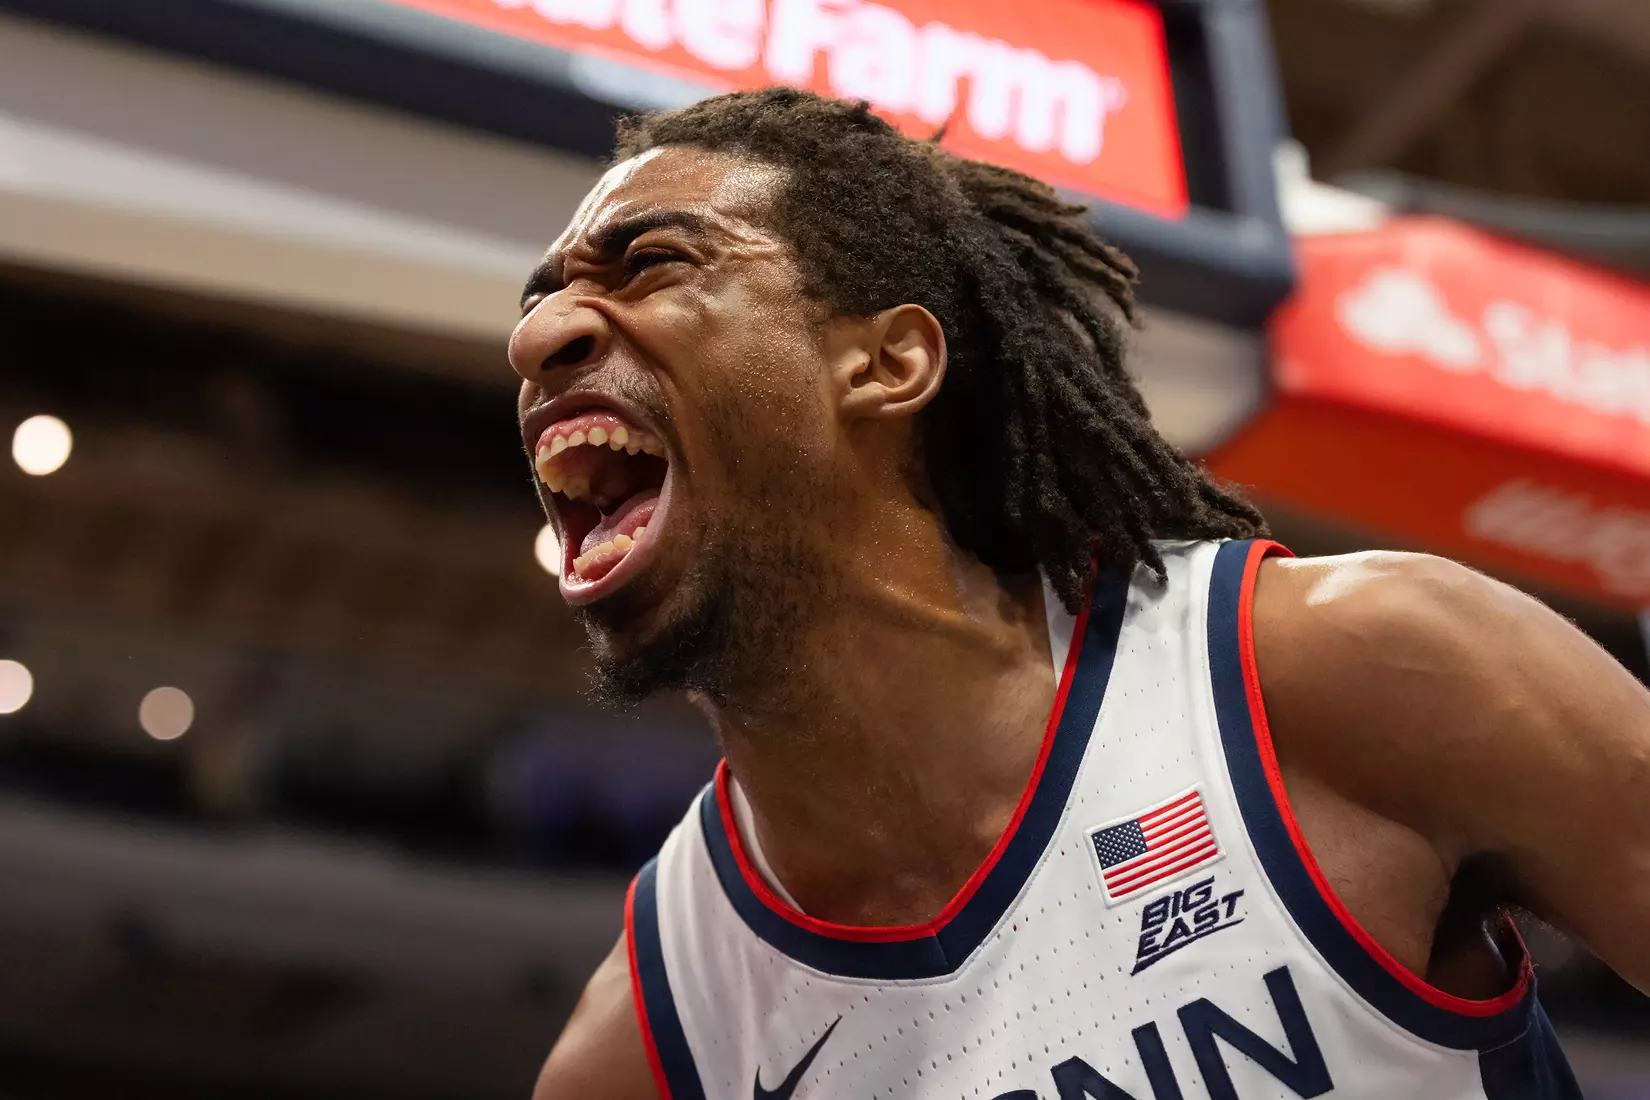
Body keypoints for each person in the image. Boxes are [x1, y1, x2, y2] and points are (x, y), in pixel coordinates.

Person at [510, 88, 1641, 1099]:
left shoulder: (1340, 674)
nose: (538, 333)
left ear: (888, 362)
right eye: (546, 293)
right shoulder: (666, 1030)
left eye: (649, 263)